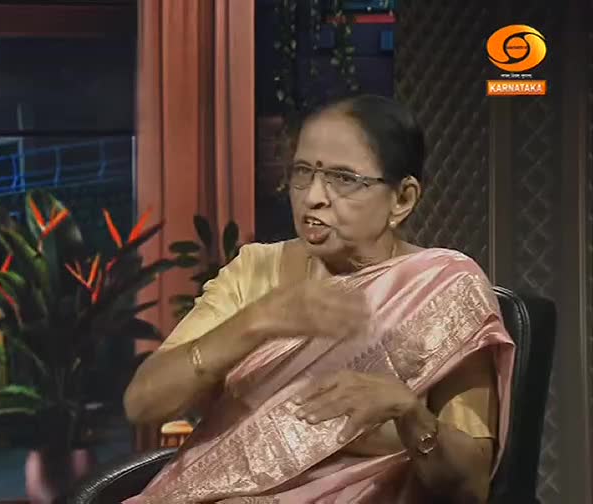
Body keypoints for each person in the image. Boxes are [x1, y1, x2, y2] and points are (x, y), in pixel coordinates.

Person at [122, 95, 515, 503]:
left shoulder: (444, 288)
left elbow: (470, 484)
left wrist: (408, 412)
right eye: (303, 172)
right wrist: (256, 321)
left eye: (344, 179)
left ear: (402, 199)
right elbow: (143, 404)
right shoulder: (256, 271)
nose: (313, 197)